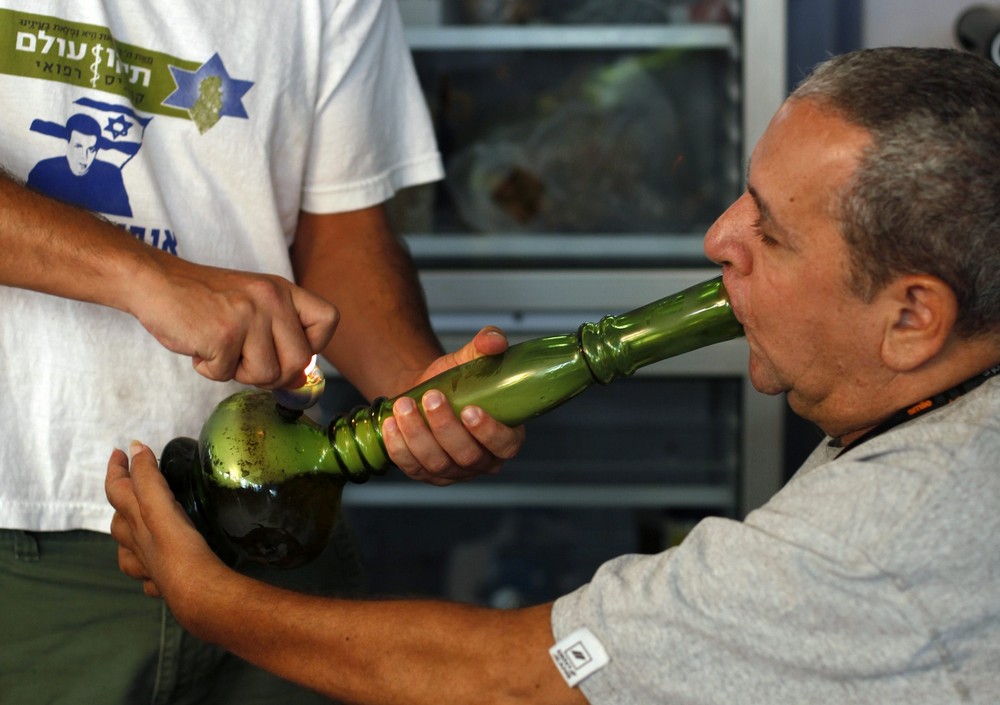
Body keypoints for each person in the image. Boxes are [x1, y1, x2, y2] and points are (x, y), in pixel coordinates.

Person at [106, 45, 1000, 704]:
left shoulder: (876, 541)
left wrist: (211, 599)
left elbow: (515, 682)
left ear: (913, 317)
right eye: (744, 197)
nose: (718, 241)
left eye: (769, 230)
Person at [0, 1, 523, 704]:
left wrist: (417, 399)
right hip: (26, 538)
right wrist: (150, 277)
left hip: (270, 533)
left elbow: (338, 230)